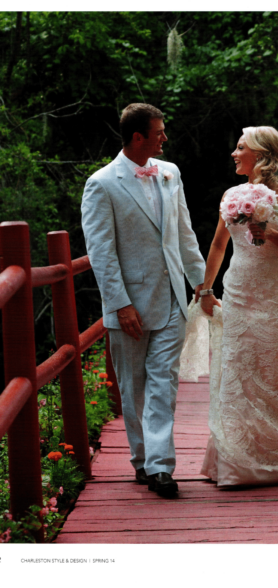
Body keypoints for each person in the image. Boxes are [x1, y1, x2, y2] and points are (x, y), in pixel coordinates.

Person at [81, 103, 205, 496]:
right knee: (134, 388)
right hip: (129, 304)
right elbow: (101, 251)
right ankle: (142, 460)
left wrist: (202, 286)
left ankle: (160, 467)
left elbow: (185, 234)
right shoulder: (101, 184)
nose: (165, 137)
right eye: (159, 132)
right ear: (138, 137)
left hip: (172, 301)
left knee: (163, 384)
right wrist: (119, 303)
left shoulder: (171, 173)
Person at [196, 126, 278, 487]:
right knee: (236, 370)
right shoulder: (231, 195)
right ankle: (235, 463)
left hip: (273, 293)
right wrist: (205, 290)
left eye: (240, 147)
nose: (234, 154)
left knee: (274, 367)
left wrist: (269, 233)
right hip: (237, 290)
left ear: (261, 154)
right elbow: (219, 246)